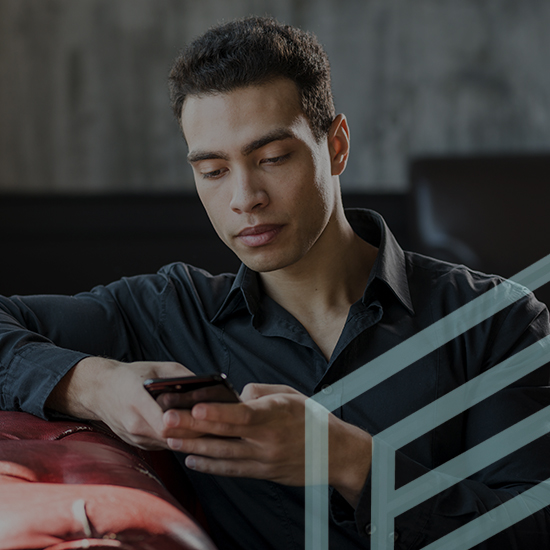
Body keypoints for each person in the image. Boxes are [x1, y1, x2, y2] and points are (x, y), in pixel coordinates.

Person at [1, 15, 549, 550]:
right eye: (213, 170)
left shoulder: (497, 320)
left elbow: (534, 526)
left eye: (272, 157)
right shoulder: (171, 311)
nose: (244, 197)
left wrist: (348, 459)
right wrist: (94, 385)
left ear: (336, 146)